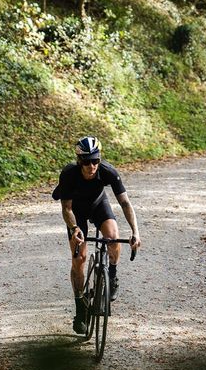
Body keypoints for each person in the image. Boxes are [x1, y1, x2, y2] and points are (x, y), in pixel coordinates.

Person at [52, 135, 141, 334]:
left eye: (95, 160)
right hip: (77, 213)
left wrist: (135, 231)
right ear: (79, 161)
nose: (91, 166)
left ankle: (112, 274)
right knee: (79, 257)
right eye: (86, 161)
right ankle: (80, 309)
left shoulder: (108, 172)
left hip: (99, 206)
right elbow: (67, 209)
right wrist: (75, 229)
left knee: (113, 236)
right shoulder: (69, 174)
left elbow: (125, 203)